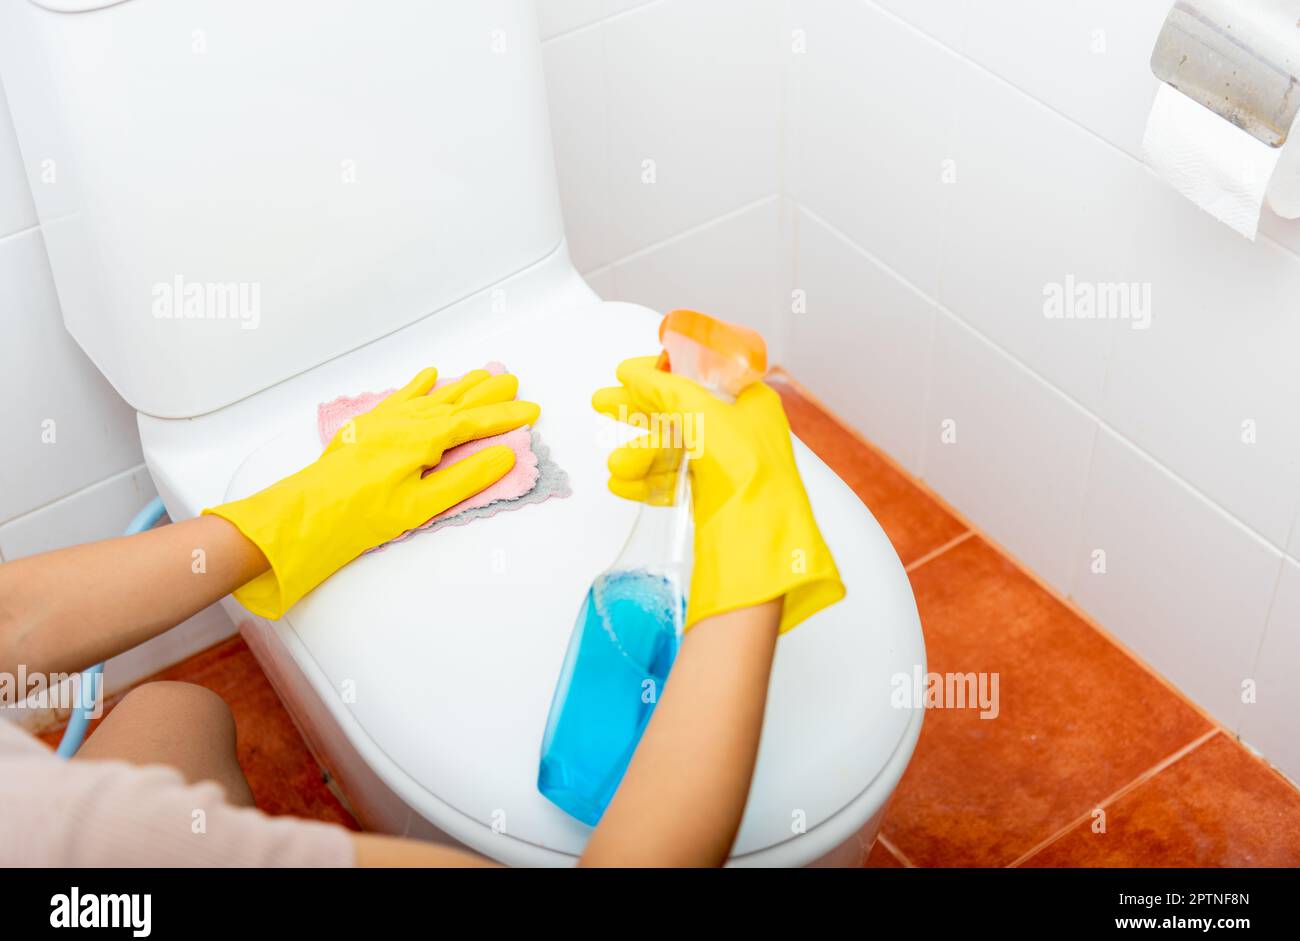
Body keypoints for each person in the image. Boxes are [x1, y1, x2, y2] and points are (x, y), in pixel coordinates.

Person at [0, 357, 842, 867]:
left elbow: (13, 625)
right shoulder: (76, 844)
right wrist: (754, 560)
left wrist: (300, 510)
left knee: (169, 714)